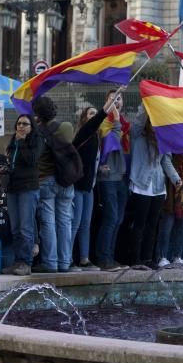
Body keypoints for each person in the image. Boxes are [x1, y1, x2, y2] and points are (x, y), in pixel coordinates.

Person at [71, 93, 118, 270]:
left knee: (85, 224)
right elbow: (99, 118)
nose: (93, 116)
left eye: (93, 113)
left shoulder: (96, 138)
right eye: (89, 114)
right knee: (75, 224)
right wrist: (111, 101)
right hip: (77, 187)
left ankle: (84, 258)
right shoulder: (83, 133)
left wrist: (98, 169)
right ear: (84, 119)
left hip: (89, 187)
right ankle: (68, 259)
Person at [129, 111, 181, 268]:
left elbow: (166, 161)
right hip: (140, 185)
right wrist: (147, 104)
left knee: (153, 225)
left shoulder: (162, 140)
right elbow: (138, 121)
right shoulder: (137, 135)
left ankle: (148, 258)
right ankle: (135, 259)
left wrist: (176, 178)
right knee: (139, 224)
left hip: (158, 188)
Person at [33, 96, 78, 273]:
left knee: (48, 223)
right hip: (66, 179)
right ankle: (65, 262)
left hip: (45, 180)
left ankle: (50, 263)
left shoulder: (36, 132)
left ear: (38, 114)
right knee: (65, 221)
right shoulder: (65, 127)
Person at [2, 114, 44, 275]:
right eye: (18, 123)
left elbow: (31, 160)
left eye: (25, 124)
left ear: (31, 127)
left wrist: (22, 142)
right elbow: (12, 161)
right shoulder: (13, 141)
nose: (20, 126)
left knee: (26, 227)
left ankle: (26, 262)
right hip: (13, 188)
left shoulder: (36, 140)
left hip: (28, 188)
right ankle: (18, 261)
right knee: (16, 228)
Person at [95, 89, 130, 271]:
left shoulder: (125, 124)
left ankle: (111, 257)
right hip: (107, 177)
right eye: (112, 99)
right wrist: (114, 115)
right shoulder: (103, 124)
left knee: (118, 219)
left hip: (120, 176)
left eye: (119, 99)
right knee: (111, 217)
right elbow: (113, 137)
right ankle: (103, 258)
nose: (117, 102)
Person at [157, 154, 183, 268]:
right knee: (167, 225)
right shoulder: (170, 145)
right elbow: (165, 162)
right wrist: (176, 179)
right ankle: (162, 256)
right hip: (171, 191)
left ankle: (177, 256)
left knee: (181, 225)